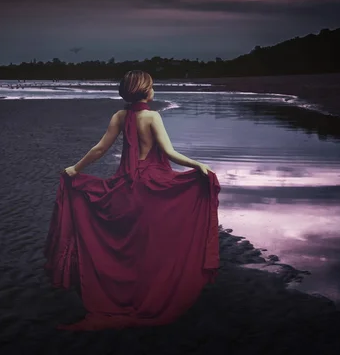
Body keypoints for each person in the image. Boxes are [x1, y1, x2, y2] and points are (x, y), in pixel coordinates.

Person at [44, 70, 221, 330]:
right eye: (152, 86)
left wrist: (76, 169)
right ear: (145, 91)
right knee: (152, 246)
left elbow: (100, 149)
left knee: (126, 246)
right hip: (151, 186)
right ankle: (149, 295)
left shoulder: (119, 115)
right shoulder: (151, 116)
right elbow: (169, 153)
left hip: (125, 188)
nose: (154, 89)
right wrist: (197, 165)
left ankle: (122, 294)